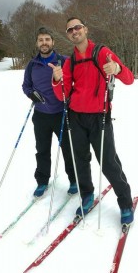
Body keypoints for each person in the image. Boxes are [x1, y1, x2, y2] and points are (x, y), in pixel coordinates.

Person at [49, 16, 134, 225]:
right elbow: (63, 95)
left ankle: (125, 202)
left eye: (77, 27)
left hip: (99, 118)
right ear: (68, 35)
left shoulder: (102, 52)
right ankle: (87, 195)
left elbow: (129, 78)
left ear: (85, 30)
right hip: (76, 117)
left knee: (108, 163)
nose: (74, 31)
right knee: (80, 161)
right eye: (70, 30)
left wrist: (116, 69)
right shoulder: (70, 61)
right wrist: (57, 79)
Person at [22, 27, 77, 198]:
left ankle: (75, 180)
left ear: (53, 42)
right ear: (37, 43)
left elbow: (76, 83)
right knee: (42, 150)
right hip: (40, 116)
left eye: (47, 39)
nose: (44, 43)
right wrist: (31, 93)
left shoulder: (65, 61)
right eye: (41, 40)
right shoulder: (32, 65)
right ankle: (42, 181)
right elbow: (26, 85)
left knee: (69, 150)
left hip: (62, 114)